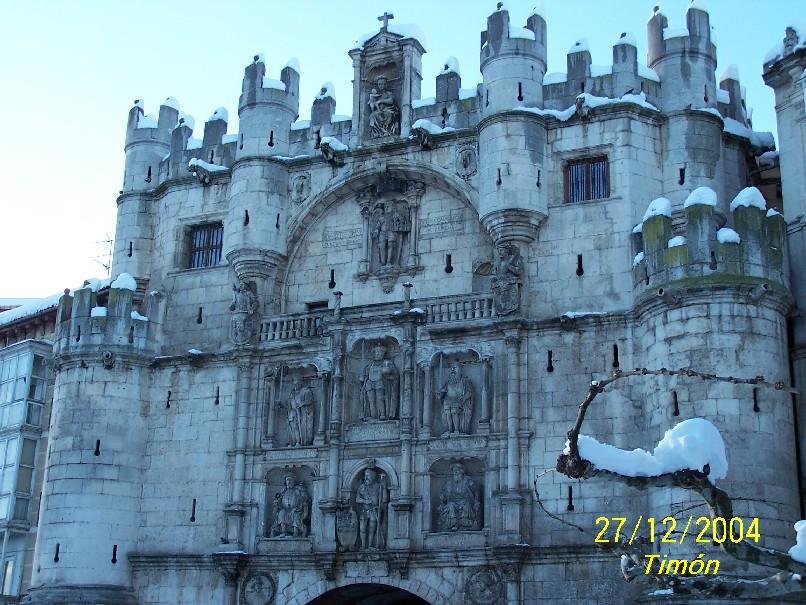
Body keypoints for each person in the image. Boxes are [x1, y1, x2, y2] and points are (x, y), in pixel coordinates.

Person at [438, 463, 480, 531]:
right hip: (453, 502)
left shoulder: (468, 480)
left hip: (466, 501)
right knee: (450, 506)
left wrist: (472, 486)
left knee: (467, 505)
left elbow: (475, 491)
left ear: (462, 472)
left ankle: (465, 525)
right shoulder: (449, 482)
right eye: (454, 471)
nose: (456, 473)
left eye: (458, 471)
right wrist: (443, 496)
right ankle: (453, 525)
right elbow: (444, 494)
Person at [361, 344, 399, 420]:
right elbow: (365, 376)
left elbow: (395, 376)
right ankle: (373, 416)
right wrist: (362, 378)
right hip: (370, 383)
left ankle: (383, 415)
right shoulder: (370, 365)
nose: (378, 354)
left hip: (380, 383)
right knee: (371, 400)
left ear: (383, 354)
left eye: (380, 352)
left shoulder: (387, 363)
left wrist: (388, 376)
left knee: (380, 399)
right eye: (376, 352)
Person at [355, 468, 387, 549]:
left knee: (372, 528)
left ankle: (370, 545)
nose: (366, 478)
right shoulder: (362, 487)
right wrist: (365, 501)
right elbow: (357, 499)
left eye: (368, 476)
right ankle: (362, 545)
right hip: (364, 510)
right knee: (362, 528)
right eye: (365, 476)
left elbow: (385, 500)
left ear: (373, 476)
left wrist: (384, 488)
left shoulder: (378, 486)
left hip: (374, 510)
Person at [438, 362, 473, 434]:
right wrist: (440, 394)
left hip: (458, 401)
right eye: (452, 368)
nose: (453, 369)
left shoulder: (465, 381)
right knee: (448, 413)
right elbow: (443, 391)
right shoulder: (448, 382)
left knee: (454, 412)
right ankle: (449, 430)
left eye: (455, 367)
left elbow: (470, 392)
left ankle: (456, 429)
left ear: (460, 369)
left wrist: (464, 398)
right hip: (447, 400)